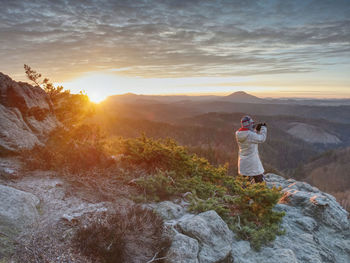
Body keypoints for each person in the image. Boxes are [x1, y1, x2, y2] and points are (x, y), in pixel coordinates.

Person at [235, 115, 267, 183]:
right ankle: (260, 193)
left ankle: (244, 193)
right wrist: (263, 129)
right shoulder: (250, 135)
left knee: (244, 185)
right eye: (252, 124)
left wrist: (256, 130)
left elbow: (250, 136)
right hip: (252, 163)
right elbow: (262, 138)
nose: (253, 125)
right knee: (260, 183)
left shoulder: (238, 133)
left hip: (243, 163)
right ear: (249, 124)